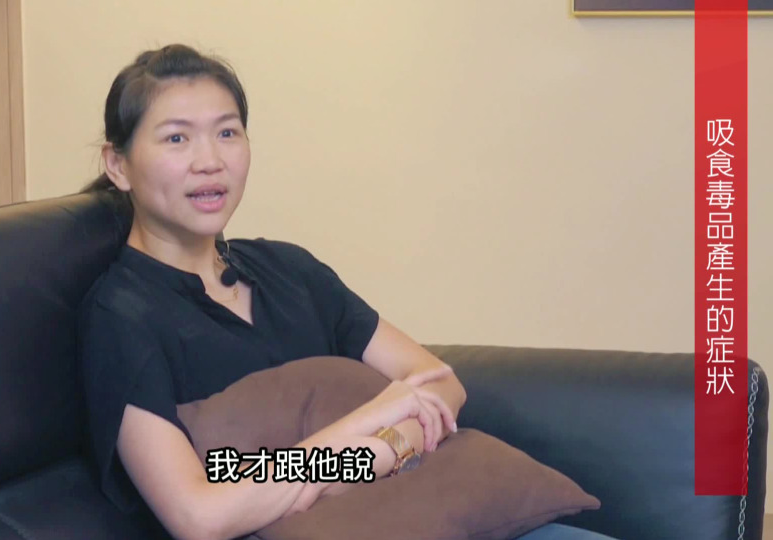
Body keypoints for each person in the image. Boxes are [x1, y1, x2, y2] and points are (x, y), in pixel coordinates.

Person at [78, 44, 615, 540]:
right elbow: (199, 513)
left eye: (227, 132)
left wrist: (385, 451)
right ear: (118, 165)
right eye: (177, 138)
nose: (210, 160)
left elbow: (438, 382)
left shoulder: (289, 269)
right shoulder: (119, 316)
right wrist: (363, 432)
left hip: (416, 513)